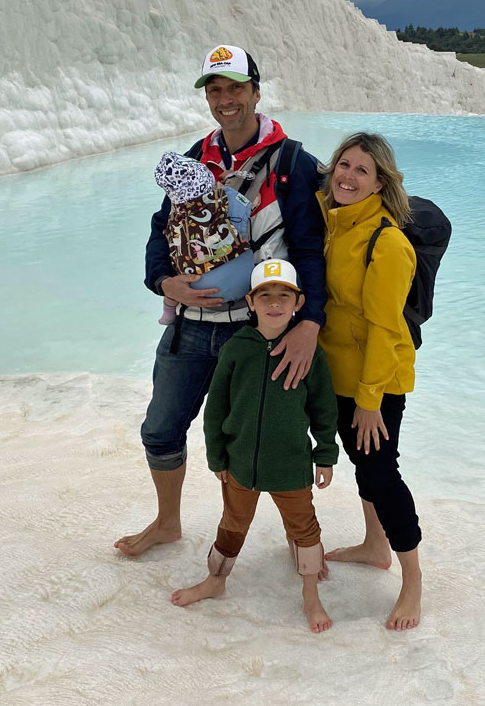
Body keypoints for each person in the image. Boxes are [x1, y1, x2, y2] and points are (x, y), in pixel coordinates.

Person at [114, 45, 327, 558]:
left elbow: (310, 249)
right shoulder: (194, 160)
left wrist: (311, 322)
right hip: (189, 325)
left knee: (256, 440)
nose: (226, 99)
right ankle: (168, 523)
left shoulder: (292, 162)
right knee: (161, 429)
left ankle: (282, 540)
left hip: (256, 331)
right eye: (215, 90)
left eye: (235, 88)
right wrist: (164, 284)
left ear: (256, 92)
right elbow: (160, 230)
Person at [170, 259, 339, 632]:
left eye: (284, 296)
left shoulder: (309, 353)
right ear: (250, 301)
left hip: (291, 464)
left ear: (299, 303)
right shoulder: (236, 349)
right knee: (233, 523)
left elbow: (324, 407)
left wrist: (325, 453)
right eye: (266, 296)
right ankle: (216, 580)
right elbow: (216, 409)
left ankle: (311, 593)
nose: (275, 304)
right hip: (240, 462)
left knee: (304, 527)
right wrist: (217, 455)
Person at [318, 131, 423, 631]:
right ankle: (374, 544)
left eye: (363, 170)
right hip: (338, 372)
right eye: (344, 164)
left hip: (376, 381)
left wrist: (369, 400)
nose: (349, 176)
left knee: (381, 472)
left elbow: (385, 327)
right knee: (365, 463)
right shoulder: (331, 223)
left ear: (381, 182)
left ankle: (412, 580)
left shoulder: (388, 242)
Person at [152, 151, 253, 325]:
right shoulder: (224, 200)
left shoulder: (175, 215)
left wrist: (162, 282)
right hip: (242, 286)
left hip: (192, 288)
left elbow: (162, 238)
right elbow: (245, 209)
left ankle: (168, 310)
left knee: (174, 281)